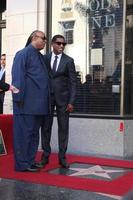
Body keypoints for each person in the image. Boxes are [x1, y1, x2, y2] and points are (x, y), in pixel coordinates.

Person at [11, 30, 49, 172]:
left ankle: (30, 161)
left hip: (39, 105)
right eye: (43, 38)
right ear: (34, 38)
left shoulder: (40, 56)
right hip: (25, 104)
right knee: (23, 135)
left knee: (33, 135)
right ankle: (22, 164)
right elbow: (18, 78)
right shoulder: (23, 54)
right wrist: (18, 100)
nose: (45, 41)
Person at [40, 34, 77, 168]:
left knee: (63, 128)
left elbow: (73, 83)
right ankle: (45, 156)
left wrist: (71, 101)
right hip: (47, 99)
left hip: (64, 100)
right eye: (59, 43)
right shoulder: (44, 58)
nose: (61, 46)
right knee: (45, 128)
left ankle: (62, 157)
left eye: (63, 44)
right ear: (52, 44)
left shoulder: (68, 61)